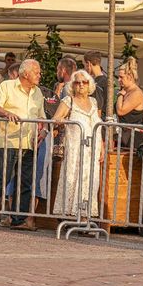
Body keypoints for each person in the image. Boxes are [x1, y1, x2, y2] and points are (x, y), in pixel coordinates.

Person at [0, 59, 46, 230]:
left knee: (25, 181)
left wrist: (44, 131)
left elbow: (42, 116)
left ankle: (18, 219)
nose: (40, 75)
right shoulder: (7, 86)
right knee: (3, 177)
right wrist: (7, 114)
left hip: (29, 142)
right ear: (25, 74)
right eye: (36, 72)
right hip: (9, 140)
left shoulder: (38, 92)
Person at [52, 70, 104, 217]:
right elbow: (55, 119)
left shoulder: (94, 102)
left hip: (92, 149)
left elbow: (97, 125)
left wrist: (102, 146)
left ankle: (85, 215)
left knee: (91, 181)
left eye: (84, 82)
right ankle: (69, 214)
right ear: (72, 85)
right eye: (77, 82)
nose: (81, 85)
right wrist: (66, 122)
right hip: (75, 148)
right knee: (72, 179)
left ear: (89, 85)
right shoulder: (68, 101)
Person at [116, 57, 143, 148]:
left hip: (133, 139)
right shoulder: (126, 91)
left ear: (130, 77)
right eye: (118, 77)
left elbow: (121, 111)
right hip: (124, 136)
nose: (118, 80)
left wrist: (120, 95)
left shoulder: (137, 93)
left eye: (121, 77)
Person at [83, 51, 107, 118]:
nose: (85, 68)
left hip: (98, 119)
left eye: (84, 65)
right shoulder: (106, 81)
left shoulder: (96, 84)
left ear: (89, 64)